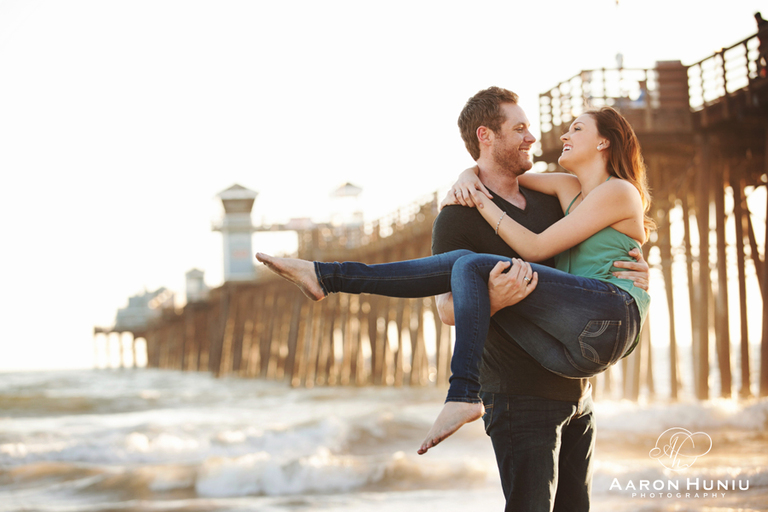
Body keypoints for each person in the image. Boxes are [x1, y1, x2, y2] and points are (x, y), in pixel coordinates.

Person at [257, 87, 650, 511]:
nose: (534, 138)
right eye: (520, 129)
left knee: (469, 265)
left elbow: (590, 254)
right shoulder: (460, 214)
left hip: (577, 385)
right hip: (521, 390)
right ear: (486, 136)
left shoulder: (552, 199)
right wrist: (493, 294)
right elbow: (446, 308)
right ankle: (457, 388)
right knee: (467, 267)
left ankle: (331, 279)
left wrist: (642, 273)